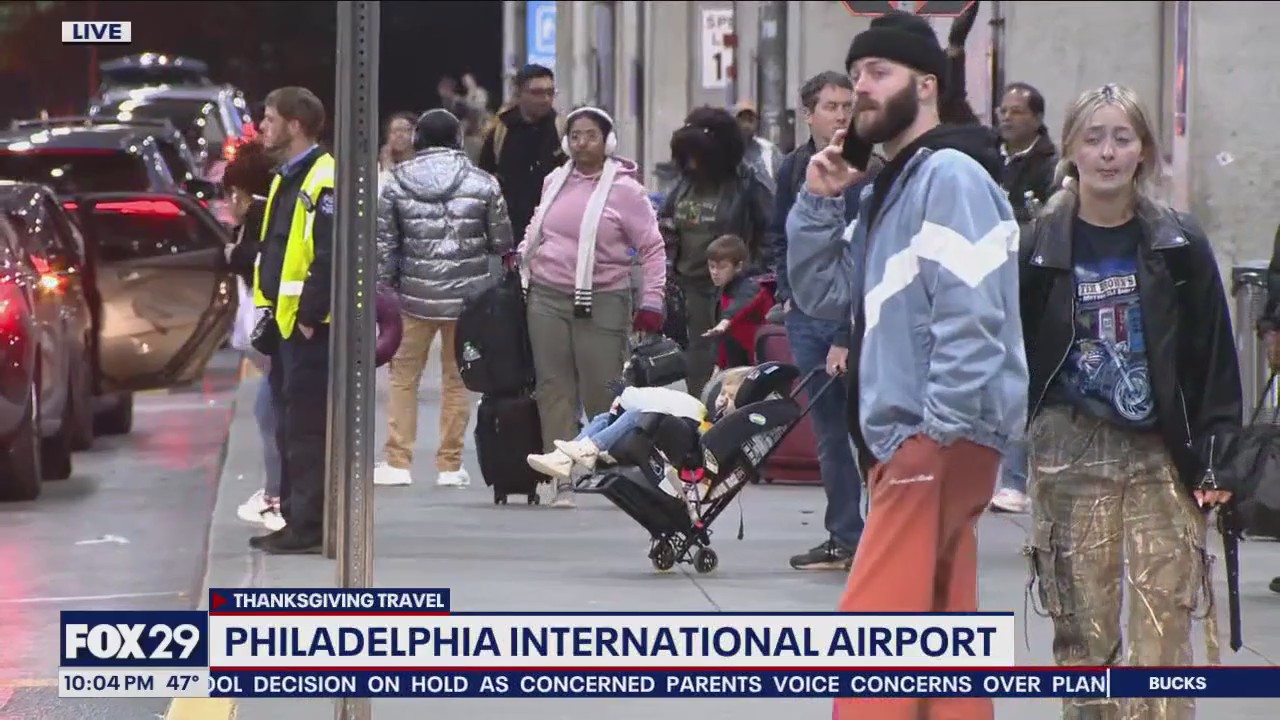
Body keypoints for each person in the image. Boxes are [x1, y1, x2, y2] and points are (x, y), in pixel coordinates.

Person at [785, 12, 1026, 719]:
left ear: (926, 85)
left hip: (931, 434)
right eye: (856, 73)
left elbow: (973, 311)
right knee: (938, 629)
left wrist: (934, 430)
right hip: (925, 434)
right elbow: (825, 295)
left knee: (877, 636)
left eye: (878, 72)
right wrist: (818, 202)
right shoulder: (895, 184)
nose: (860, 88)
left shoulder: (948, 176)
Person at [1020, 84, 1242, 719]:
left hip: (1161, 452)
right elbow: (1017, 346)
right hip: (1069, 449)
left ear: (1143, 149)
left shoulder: (1178, 242)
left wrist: (1217, 458)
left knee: (1163, 625)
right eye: (1093, 138)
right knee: (1083, 633)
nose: (1108, 153)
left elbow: (1212, 355)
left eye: (1122, 138)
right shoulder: (1037, 244)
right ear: (1070, 148)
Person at [518, 106, 667, 508]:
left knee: (604, 390)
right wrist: (522, 260)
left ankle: (617, 469)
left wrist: (653, 300)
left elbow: (652, 248)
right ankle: (560, 478)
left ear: (608, 141)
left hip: (603, 299)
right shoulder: (555, 181)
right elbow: (537, 228)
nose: (582, 143)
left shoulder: (626, 191)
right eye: (575, 136)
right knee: (553, 388)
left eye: (591, 135)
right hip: (546, 295)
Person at [373, 108, 515, 489]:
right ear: (458, 140)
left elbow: (385, 245)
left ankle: (398, 462)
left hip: (412, 299)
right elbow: (502, 242)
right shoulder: (483, 183)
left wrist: (385, 290)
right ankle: (450, 466)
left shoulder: (397, 181)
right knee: (458, 379)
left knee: (403, 378)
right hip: (468, 303)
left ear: (418, 139)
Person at [770, 70, 872, 571]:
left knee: (869, 433)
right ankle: (844, 534)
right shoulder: (794, 167)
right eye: (831, 106)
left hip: (852, 320)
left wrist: (845, 334)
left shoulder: (868, 170)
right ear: (808, 114)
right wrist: (787, 295)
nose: (842, 115)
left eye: (848, 106)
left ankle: (883, 539)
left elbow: (863, 257)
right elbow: (780, 237)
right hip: (804, 316)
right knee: (829, 435)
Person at [249, 86, 335, 555]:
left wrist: (309, 313)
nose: (262, 127)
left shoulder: (323, 177)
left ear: (295, 125)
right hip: (288, 326)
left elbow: (330, 251)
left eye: (269, 118)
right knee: (287, 426)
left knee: (305, 430)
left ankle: (310, 525)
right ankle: (295, 519)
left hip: (310, 330)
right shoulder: (289, 176)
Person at [659, 106, 774, 398]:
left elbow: (772, 232)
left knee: (732, 362)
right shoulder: (684, 183)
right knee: (697, 360)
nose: (692, 163)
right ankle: (699, 417)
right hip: (690, 289)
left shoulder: (748, 183)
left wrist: (750, 274)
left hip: (732, 290)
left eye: (698, 156)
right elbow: (666, 223)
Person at [988, 81, 1059, 516]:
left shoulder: (1049, 168)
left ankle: (1015, 478)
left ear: (1036, 118)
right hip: (989, 279)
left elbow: (1047, 224)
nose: (1006, 117)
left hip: (1029, 284)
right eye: (1003, 110)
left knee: (1022, 379)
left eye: (1016, 111)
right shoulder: (989, 158)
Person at [528, 365, 754, 480]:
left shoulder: (730, 424)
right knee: (604, 418)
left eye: (731, 396)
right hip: (676, 433)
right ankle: (563, 458)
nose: (723, 399)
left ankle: (590, 448)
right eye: (723, 393)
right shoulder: (712, 413)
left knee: (637, 413)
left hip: (685, 449)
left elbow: (708, 440)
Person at [221, 140, 285, 532]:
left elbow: (264, 260)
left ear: (238, 193)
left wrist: (235, 255)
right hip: (273, 332)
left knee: (270, 414)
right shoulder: (261, 215)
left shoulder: (260, 218)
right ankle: (277, 493)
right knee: (270, 413)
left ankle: (277, 496)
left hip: (277, 329)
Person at [478, 64, 566, 242]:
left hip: (553, 232)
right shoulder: (500, 131)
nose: (545, 99)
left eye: (550, 92)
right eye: (537, 93)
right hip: (510, 232)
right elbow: (484, 180)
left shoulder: (563, 129)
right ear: (518, 94)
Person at [702, 234, 774, 369]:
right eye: (712, 266)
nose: (715, 272)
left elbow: (742, 302)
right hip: (732, 359)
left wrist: (725, 321)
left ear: (738, 266)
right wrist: (718, 364)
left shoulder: (752, 285)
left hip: (754, 360)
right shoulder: (721, 288)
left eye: (722, 267)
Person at [732, 100, 784, 187]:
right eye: (742, 120)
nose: (746, 125)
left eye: (750, 120)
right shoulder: (725, 150)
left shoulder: (768, 149)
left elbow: (783, 179)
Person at [378, 112, 416, 190]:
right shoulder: (377, 168)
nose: (399, 135)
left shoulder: (423, 165)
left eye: (405, 130)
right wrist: (387, 169)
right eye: (394, 131)